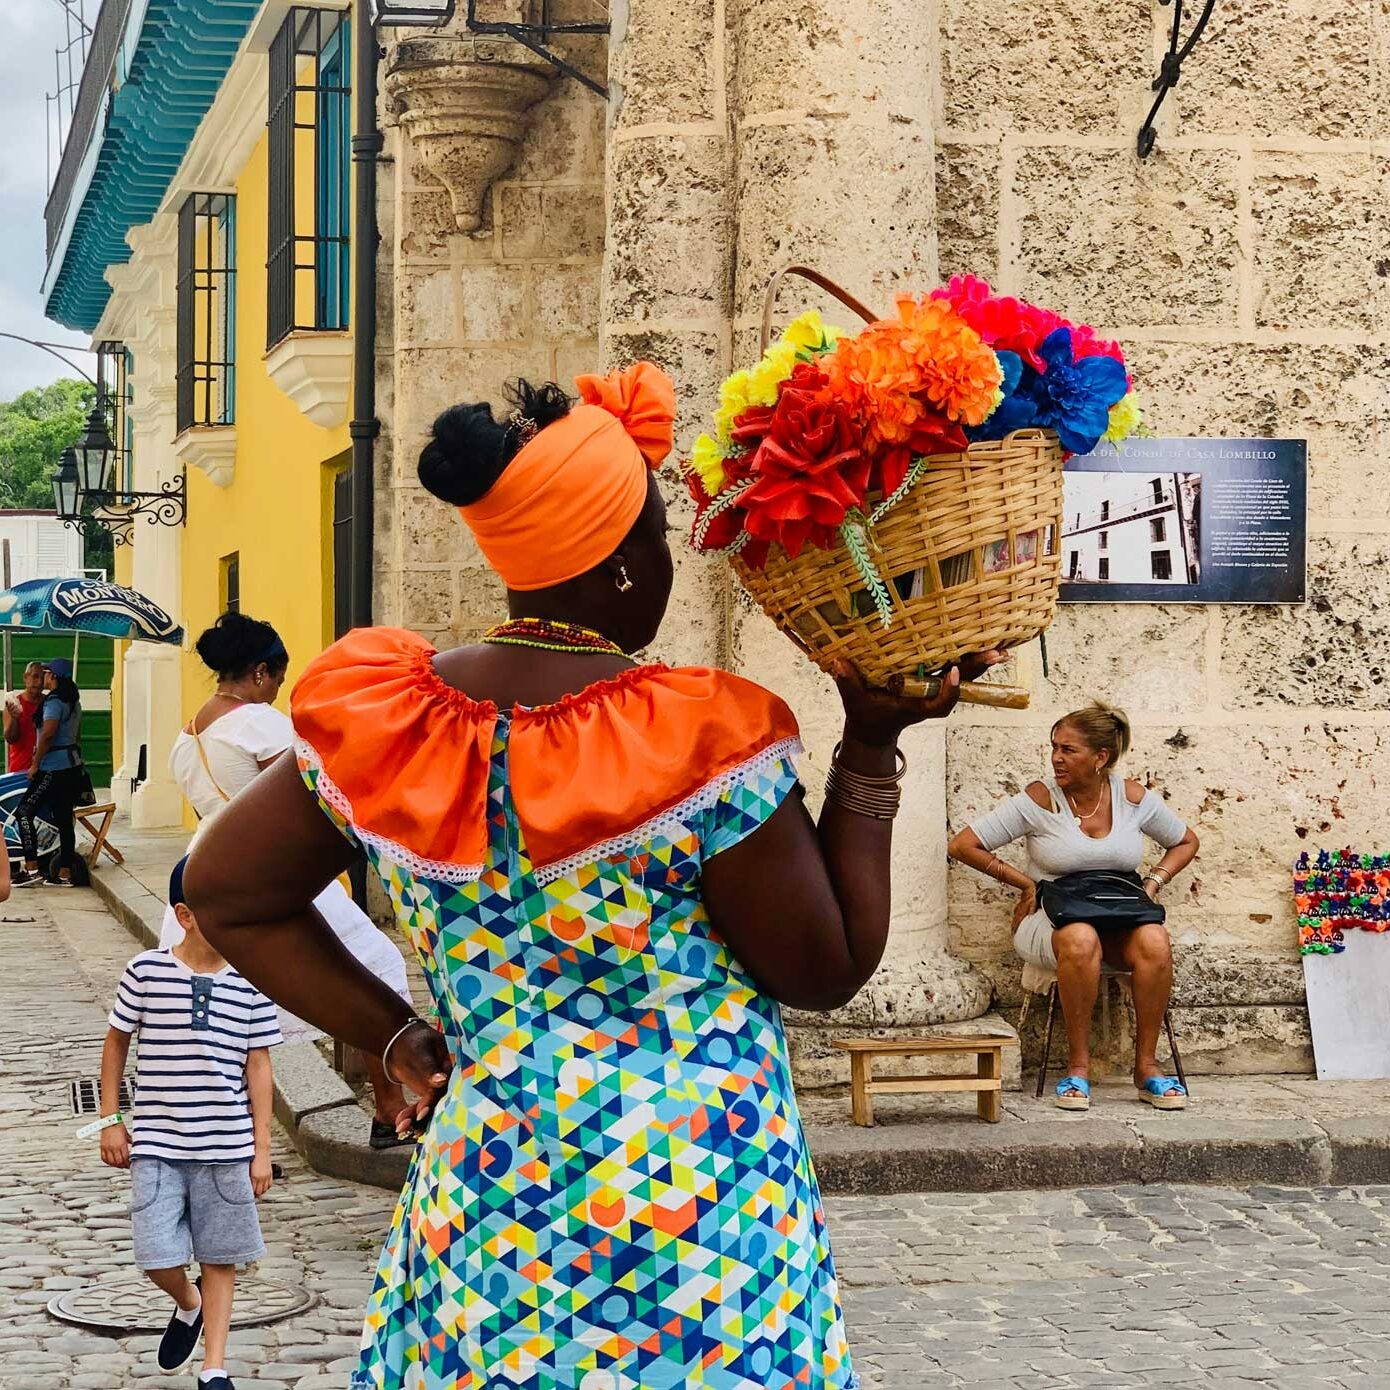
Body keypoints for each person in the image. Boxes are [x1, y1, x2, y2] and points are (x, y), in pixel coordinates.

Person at [185, 361, 1002, 1390]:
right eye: (659, 544)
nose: (668, 567)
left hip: (496, 1198)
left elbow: (226, 891)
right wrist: (872, 747)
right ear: (618, 570)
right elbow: (825, 964)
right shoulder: (698, 732)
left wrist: (393, 1033)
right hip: (700, 1219)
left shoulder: (400, 721)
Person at [164, 612, 414, 1149]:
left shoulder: (187, 737)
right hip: (271, 868)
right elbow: (313, 800)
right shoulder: (261, 723)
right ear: (259, 673)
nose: (278, 689)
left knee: (216, 1006)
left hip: (203, 869)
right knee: (375, 970)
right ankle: (389, 1109)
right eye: (277, 677)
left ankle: (209, 1136)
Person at [948, 702, 1200, 1112]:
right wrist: (1027, 882)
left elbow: (1186, 840)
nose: (1057, 759)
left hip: (1119, 915)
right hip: (1051, 919)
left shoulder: (1132, 798)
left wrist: (1154, 882)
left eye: (1068, 750)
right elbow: (963, 845)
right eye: (1054, 748)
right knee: (1081, 939)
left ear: (1101, 757)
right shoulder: (1039, 798)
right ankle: (1077, 1067)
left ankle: (1147, 1068)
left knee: (1155, 939)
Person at [98, 856, 280, 1390]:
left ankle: (214, 1366)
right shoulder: (146, 971)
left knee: (221, 1256)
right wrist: (112, 1119)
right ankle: (187, 1301)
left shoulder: (252, 983)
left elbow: (259, 1066)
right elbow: (115, 1044)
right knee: (156, 1253)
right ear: (187, 914)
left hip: (226, 1147)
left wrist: (261, 1149)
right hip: (156, 1143)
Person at [13, 658, 85, 888]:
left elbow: (48, 734)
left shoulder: (54, 702)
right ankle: (64, 875)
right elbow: (77, 735)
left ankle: (32, 868)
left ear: (53, 676)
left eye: (45, 673)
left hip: (52, 768)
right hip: (72, 766)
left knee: (24, 812)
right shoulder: (73, 702)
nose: (42, 677)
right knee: (64, 820)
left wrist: (35, 763)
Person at [3, 661, 46, 773]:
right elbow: (10, 739)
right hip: (19, 770)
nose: (39, 682)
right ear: (25, 677)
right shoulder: (14, 704)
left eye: (43, 677)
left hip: (46, 770)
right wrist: (14, 718)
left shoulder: (50, 704)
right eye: (35, 676)